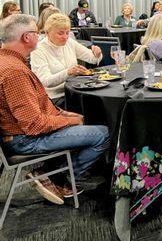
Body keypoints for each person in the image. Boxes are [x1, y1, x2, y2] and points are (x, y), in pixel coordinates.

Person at [0, 14, 109, 204]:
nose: (39, 36)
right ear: (27, 37)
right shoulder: (15, 72)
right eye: (36, 32)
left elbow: (37, 108)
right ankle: (57, 176)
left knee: (85, 121)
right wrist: (69, 120)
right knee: (104, 133)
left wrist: (63, 115)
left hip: (18, 133)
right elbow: (34, 124)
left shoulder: (8, 62)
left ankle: (52, 171)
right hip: (23, 140)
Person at [31, 13, 102, 106]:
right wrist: (68, 72)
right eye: (60, 33)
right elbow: (45, 81)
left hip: (74, 91)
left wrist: (97, 54)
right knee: (91, 105)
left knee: (98, 101)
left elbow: (92, 59)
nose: (65, 37)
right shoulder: (38, 50)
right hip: (53, 97)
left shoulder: (69, 42)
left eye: (67, 33)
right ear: (47, 33)